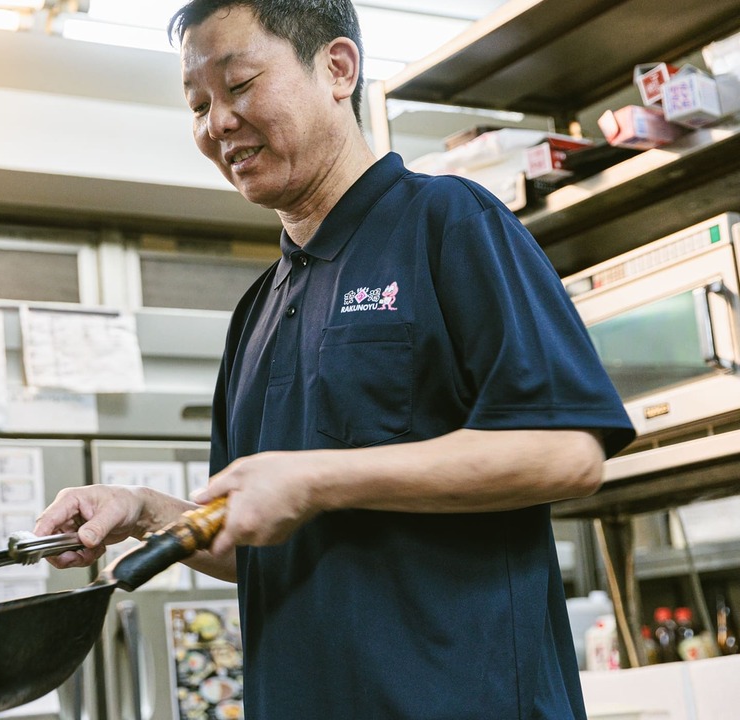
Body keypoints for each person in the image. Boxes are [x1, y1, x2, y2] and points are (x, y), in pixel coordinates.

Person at [34, 1, 636, 718]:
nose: (216, 123)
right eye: (198, 104)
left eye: (240, 84)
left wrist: (317, 479)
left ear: (337, 69)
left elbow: (567, 453)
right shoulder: (256, 313)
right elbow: (253, 543)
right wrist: (141, 511)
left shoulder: (448, 222)